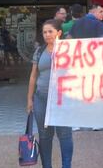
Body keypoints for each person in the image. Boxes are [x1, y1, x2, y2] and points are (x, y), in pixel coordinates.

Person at [27, 19, 73, 168]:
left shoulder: (69, 50)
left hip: (63, 100)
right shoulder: (39, 51)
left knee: (64, 135)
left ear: (59, 32)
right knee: (45, 136)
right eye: (44, 32)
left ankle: (67, 165)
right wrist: (29, 99)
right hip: (41, 98)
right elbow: (33, 76)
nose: (47, 35)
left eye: (50, 31)